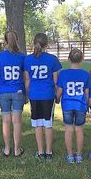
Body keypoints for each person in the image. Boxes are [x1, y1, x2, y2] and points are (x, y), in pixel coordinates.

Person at [24, 33, 62, 161]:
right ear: (47, 45)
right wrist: (57, 95)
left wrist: (26, 93)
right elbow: (56, 80)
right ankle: (49, 152)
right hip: (47, 95)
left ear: (34, 43)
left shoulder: (28, 59)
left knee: (37, 124)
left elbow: (27, 80)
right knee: (48, 124)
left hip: (34, 95)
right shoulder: (52, 59)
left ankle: (40, 152)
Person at [56, 48, 91, 163]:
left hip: (67, 105)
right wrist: (87, 104)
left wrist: (57, 98)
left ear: (68, 59)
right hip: (80, 105)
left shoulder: (63, 73)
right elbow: (87, 93)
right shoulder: (86, 74)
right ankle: (79, 155)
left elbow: (60, 91)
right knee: (79, 129)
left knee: (69, 129)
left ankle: (70, 155)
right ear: (82, 59)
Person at [0, 31, 25, 157]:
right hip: (18, 90)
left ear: (5, 41)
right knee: (17, 121)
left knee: (6, 121)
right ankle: (17, 149)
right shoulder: (22, 57)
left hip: (4, 91)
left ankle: (7, 149)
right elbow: (25, 77)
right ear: (17, 40)